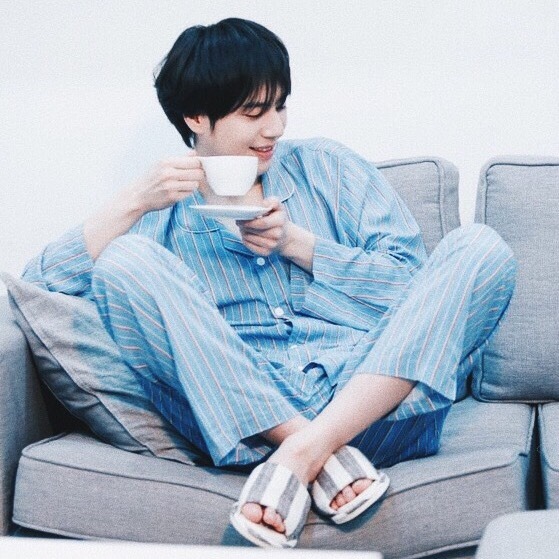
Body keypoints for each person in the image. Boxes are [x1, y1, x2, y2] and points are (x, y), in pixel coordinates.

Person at [22, 17, 517, 548]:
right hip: (247, 422)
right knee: (125, 260)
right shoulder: (159, 213)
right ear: (196, 116)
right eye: (254, 112)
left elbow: (417, 301)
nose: (275, 128)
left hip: (375, 409)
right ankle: (310, 450)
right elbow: (38, 290)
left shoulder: (330, 169)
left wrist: (300, 246)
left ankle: (301, 454)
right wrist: (133, 201)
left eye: (280, 105)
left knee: (481, 248)